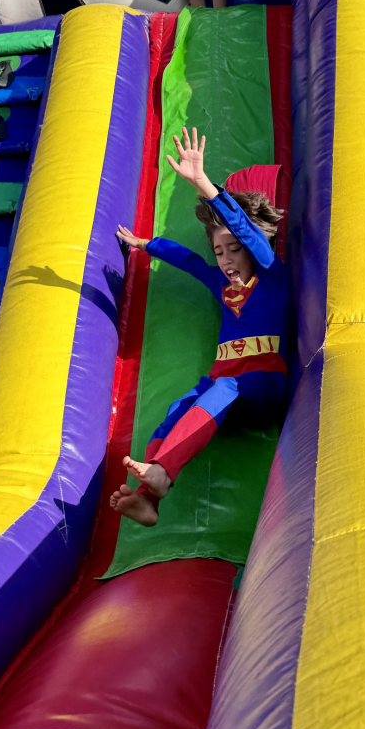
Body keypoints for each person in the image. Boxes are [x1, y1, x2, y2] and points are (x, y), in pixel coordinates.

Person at [111, 126, 289, 526]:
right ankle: (147, 500)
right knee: (178, 407)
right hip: (224, 385)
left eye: (234, 249)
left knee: (223, 387)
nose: (226, 259)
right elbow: (189, 261)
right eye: (219, 251)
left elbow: (247, 232)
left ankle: (163, 474)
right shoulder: (221, 286)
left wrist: (204, 184)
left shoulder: (271, 278)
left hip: (263, 383)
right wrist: (144, 244)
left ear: (253, 249)